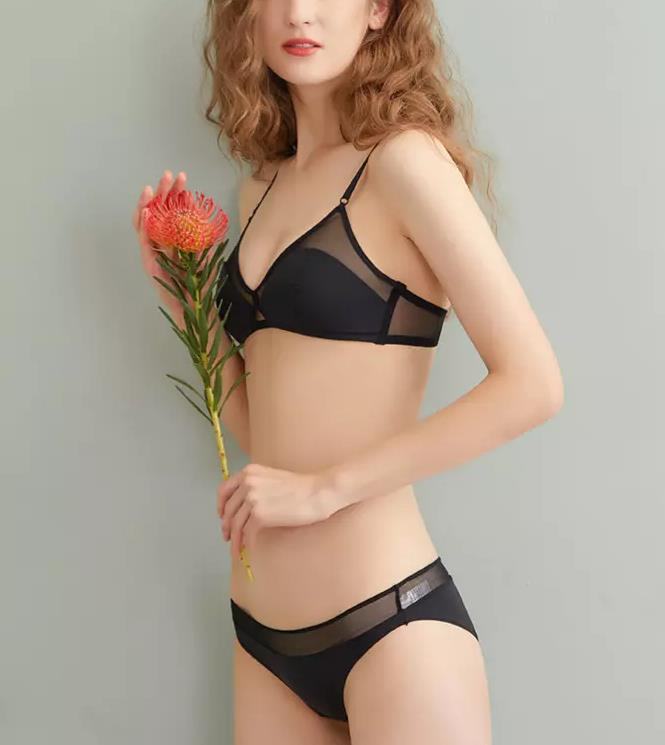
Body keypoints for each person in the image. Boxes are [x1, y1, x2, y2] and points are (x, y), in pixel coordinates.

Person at [133, 1, 564, 743]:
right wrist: (181, 295)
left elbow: (533, 385)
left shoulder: (403, 164)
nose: (300, 13)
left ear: (378, 10)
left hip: (390, 624)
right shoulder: (260, 186)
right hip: (263, 637)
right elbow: (258, 424)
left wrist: (322, 490)